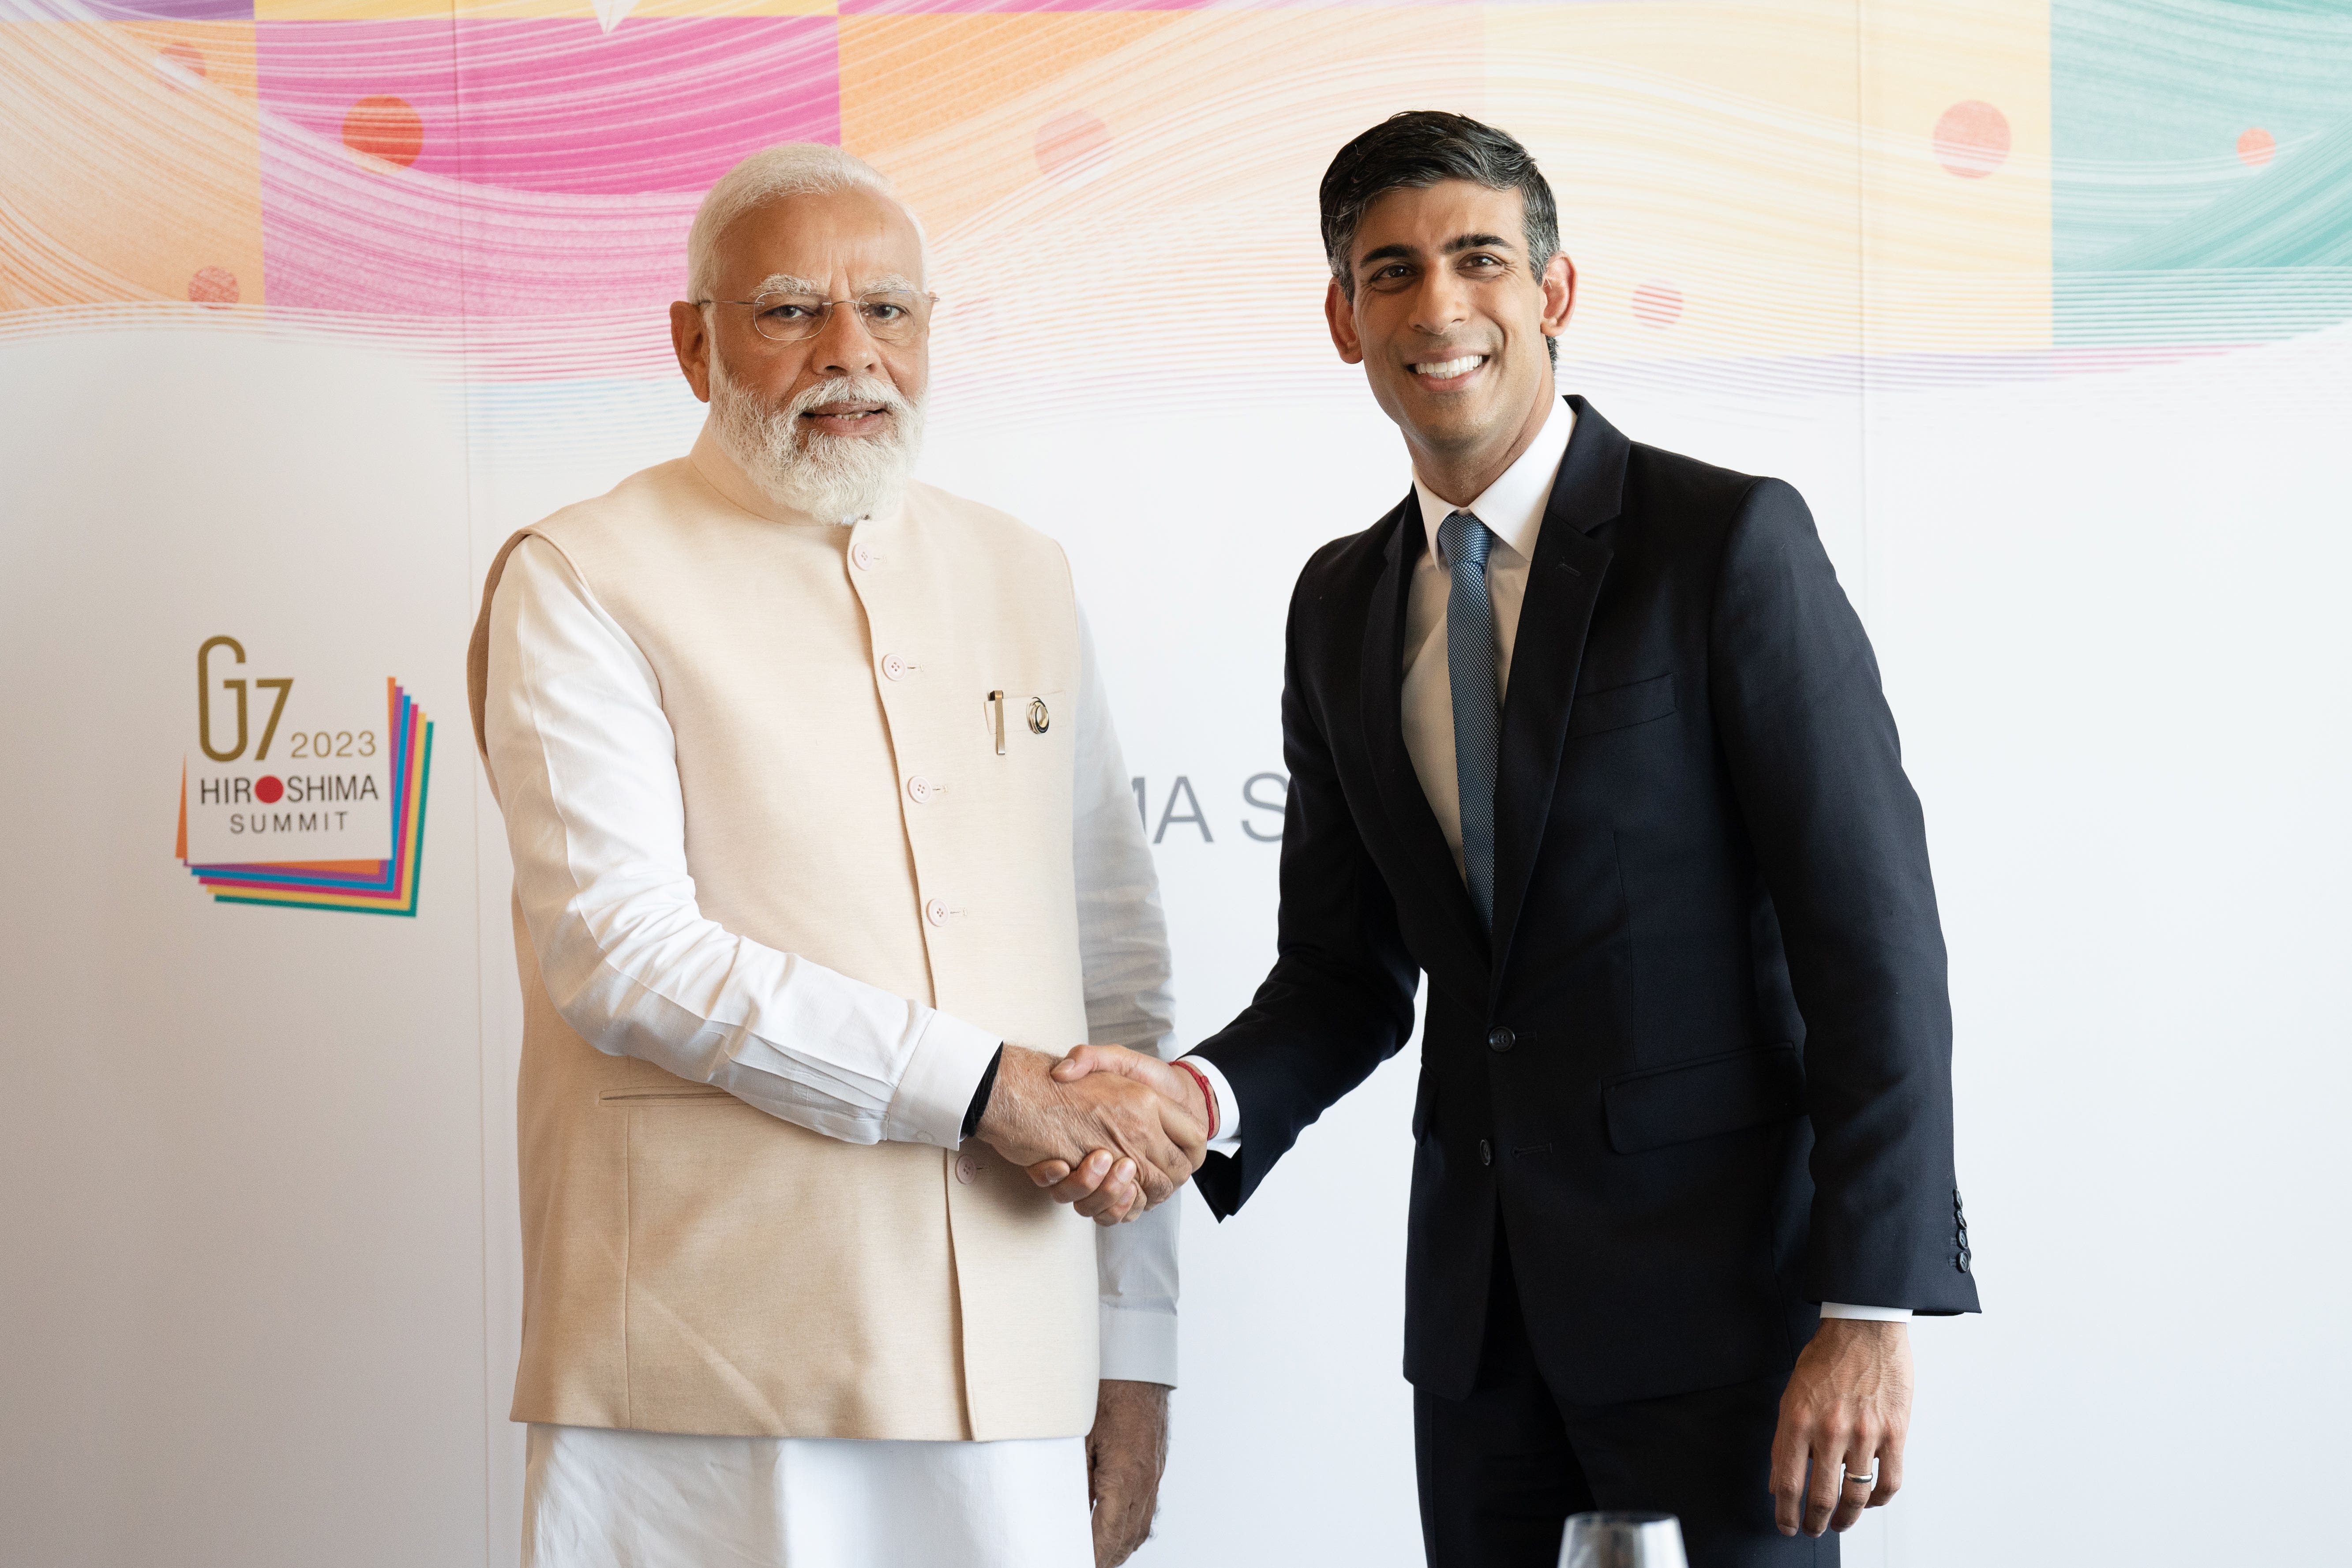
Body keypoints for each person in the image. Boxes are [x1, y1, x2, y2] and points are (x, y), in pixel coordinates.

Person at [1037, 111, 1980, 1566]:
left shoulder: (1725, 544)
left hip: (1729, 1326)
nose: (1437, 306)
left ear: (1553, 293)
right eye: (1390, 271)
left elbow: (1872, 943)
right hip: (1478, 1344)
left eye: (1477, 259)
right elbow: (1345, 973)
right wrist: (1196, 1101)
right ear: (1344, 319)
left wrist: (1868, 1310)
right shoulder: (1339, 601)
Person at [465, 142, 1205, 1568]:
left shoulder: (1023, 571)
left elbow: (1119, 994)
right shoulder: (578, 572)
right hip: (700, 1367)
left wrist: (1132, 1345)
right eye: (789, 310)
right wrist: (985, 1087)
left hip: (1011, 1371)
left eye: (891, 314)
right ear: (694, 342)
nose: (850, 355)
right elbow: (620, 952)